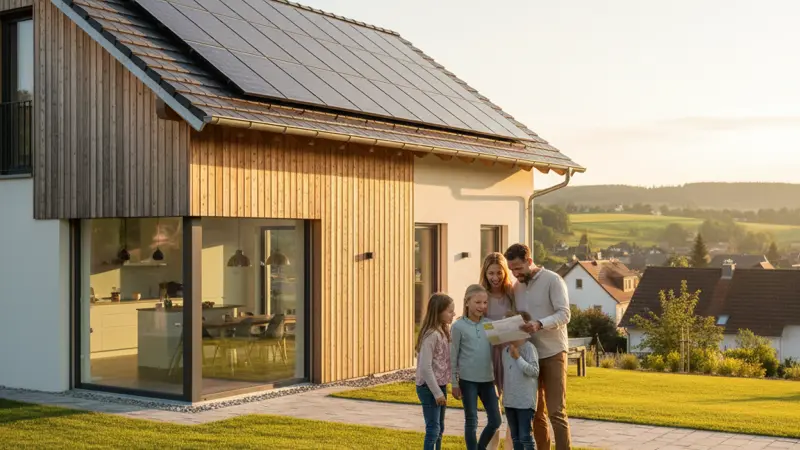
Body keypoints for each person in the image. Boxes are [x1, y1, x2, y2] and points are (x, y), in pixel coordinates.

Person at [503, 243, 572, 450]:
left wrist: (539, 324)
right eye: (512, 269)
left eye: (518, 268)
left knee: (556, 411)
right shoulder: (517, 287)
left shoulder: (553, 280)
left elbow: (564, 314)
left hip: (553, 352)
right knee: (536, 412)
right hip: (528, 355)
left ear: (530, 261)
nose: (515, 274)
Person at [451, 284, 502, 450]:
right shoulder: (458, 326)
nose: (482, 306)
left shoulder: (489, 325)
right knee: (471, 420)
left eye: (485, 302)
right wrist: (454, 383)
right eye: (478, 302)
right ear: (467, 302)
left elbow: (500, 348)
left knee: (496, 420)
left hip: (488, 380)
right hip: (468, 381)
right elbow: (453, 357)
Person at [479, 252, 516, 450]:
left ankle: (510, 446)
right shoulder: (481, 295)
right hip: (488, 354)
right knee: (494, 408)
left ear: (505, 272)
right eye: (491, 273)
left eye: (499, 273)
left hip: (510, 353)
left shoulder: (512, 293)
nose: (495, 277)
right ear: (485, 274)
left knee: (512, 405)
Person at [416, 293, 457, 450]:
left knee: (440, 428)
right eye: (450, 311)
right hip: (428, 388)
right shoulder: (431, 335)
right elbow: (425, 367)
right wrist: (437, 393)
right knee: (433, 429)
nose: (453, 314)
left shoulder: (443, 331)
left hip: (439, 386)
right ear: (438, 312)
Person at [502, 310, 540, 450]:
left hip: (525, 402)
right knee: (515, 438)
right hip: (510, 402)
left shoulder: (529, 349)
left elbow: (534, 371)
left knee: (525, 437)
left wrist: (518, 357)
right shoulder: (505, 351)